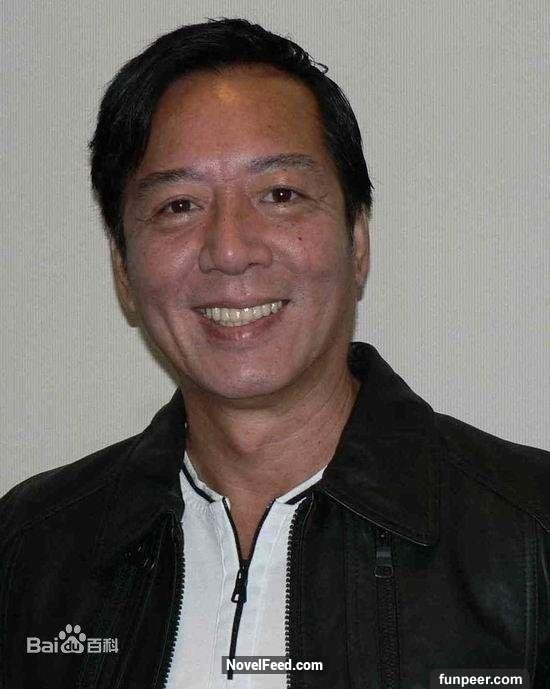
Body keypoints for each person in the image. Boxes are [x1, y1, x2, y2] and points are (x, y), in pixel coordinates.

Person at [0, 17, 548, 689]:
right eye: (178, 205)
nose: (230, 250)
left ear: (357, 240)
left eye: (281, 195)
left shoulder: (531, 539)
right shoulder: (30, 552)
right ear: (123, 269)